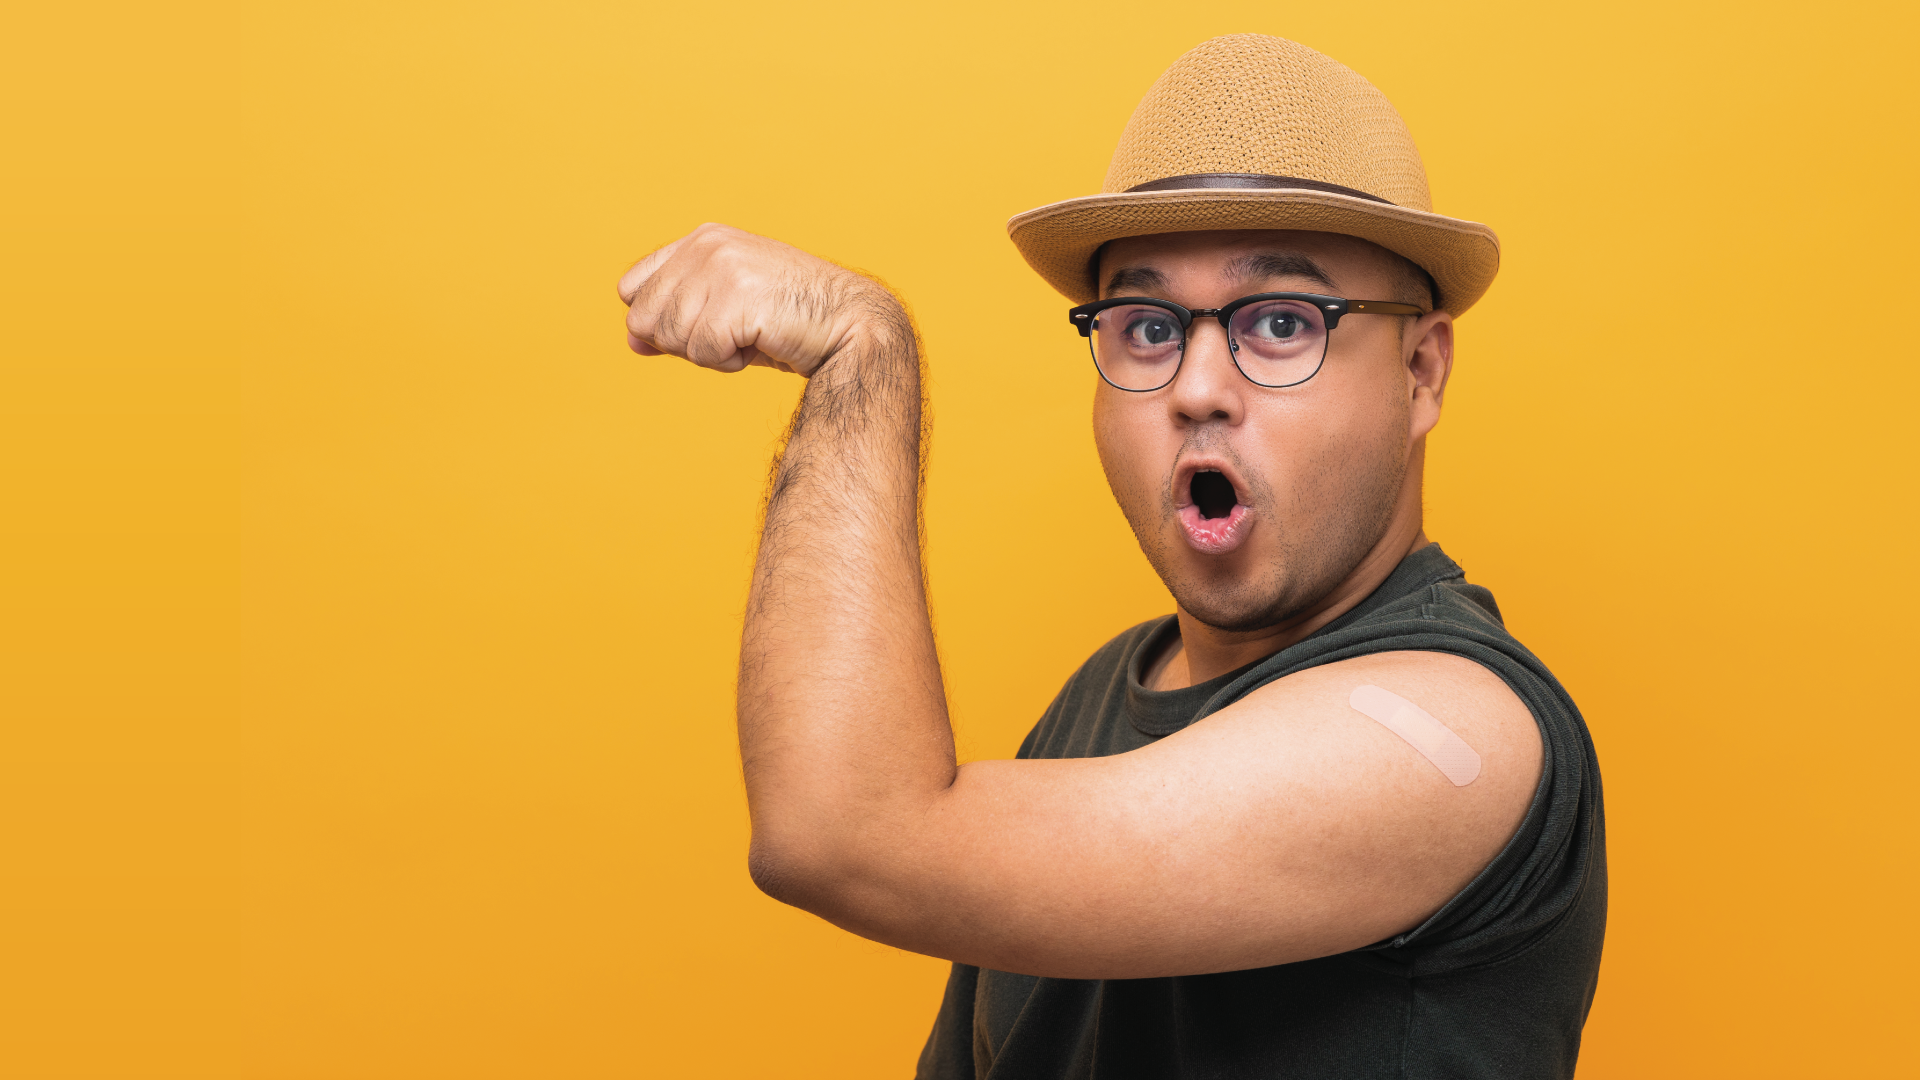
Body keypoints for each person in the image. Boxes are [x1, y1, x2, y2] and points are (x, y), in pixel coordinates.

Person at [616, 33, 1604, 1080]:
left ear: (1419, 370)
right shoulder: (1098, 700)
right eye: (1145, 326)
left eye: (1279, 322)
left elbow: (844, 836)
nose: (1196, 386)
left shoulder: (1454, 734)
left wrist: (864, 352)